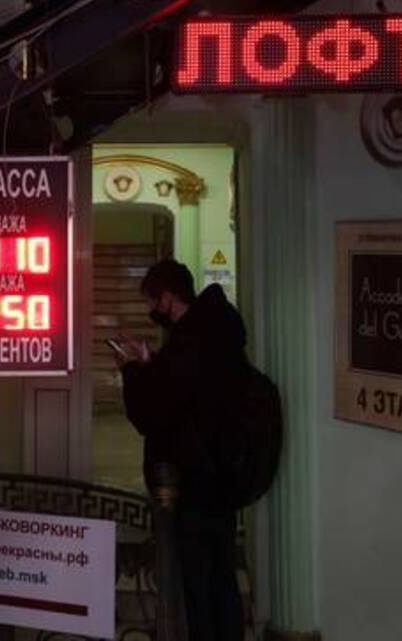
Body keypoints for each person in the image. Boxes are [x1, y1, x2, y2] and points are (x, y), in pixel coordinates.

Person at [114, 259, 245, 641]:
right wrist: (152, 363)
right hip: (224, 474)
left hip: (191, 478)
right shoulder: (216, 332)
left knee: (197, 585)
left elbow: (152, 414)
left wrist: (132, 371)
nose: (151, 309)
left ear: (167, 297)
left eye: (152, 301)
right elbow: (187, 389)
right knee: (222, 578)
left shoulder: (187, 343)